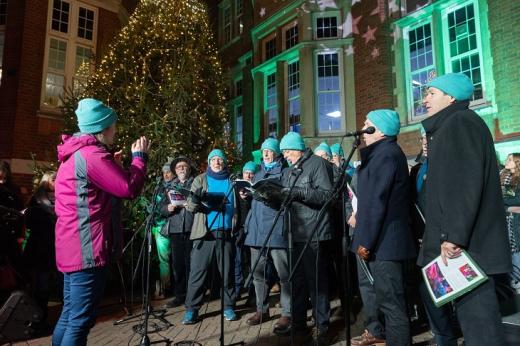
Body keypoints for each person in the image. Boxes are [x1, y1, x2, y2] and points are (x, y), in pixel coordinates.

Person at [418, 73, 511, 345]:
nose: (425, 99)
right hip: (466, 245)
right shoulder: (453, 124)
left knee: (480, 326)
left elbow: (463, 186)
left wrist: (454, 236)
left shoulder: (459, 123)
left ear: (451, 97)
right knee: (473, 323)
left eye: (431, 93)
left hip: (470, 248)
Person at [52, 98, 150, 345]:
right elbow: (128, 189)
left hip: (72, 246)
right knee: (80, 320)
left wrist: (114, 167)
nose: (116, 130)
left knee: (69, 315)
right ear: (101, 128)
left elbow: (95, 192)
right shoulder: (92, 155)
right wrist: (139, 158)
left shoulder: (75, 154)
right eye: (113, 126)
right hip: (87, 249)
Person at [350, 109, 416, 346]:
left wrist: (365, 241)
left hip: (386, 243)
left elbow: (377, 202)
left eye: (368, 124)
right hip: (382, 241)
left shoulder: (386, 155)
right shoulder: (381, 154)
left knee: (392, 305)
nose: (363, 128)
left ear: (379, 129)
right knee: (387, 301)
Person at [279, 132, 334, 345]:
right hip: (294, 233)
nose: (285, 156)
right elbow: (287, 197)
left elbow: (326, 195)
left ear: (298, 149)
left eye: (288, 151)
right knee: (297, 282)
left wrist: (300, 192)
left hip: (314, 233)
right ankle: (299, 324)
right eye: (283, 153)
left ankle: (322, 327)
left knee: (316, 282)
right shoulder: (289, 170)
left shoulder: (317, 164)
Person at [411, 127, 458, 346]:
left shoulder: (447, 166)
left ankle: (446, 337)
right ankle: (440, 333)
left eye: (429, 138)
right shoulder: (417, 170)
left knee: (443, 293)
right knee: (428, 292)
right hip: (422, 241)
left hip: (442, 241)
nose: (425, 142)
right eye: (422, 138)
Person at [181, 149, 240, 324]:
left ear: (224, 162)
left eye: (220, 159)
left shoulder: (232, 181)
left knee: (227, 271)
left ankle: (229, 307)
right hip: (204, 233)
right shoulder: (200, 179)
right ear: (209, 162)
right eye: (213, 159)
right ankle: (191, 310)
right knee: (197, 273)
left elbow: (239, 205)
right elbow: (190, 206)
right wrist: (197, 200)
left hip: (226, 231)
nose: (217, 162)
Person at [244, 138, 292, 334]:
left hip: (276, 229)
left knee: (284, 274)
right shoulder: (257, 173)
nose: (265, 153)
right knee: (258, 274)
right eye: (263, 150)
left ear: (277, 153)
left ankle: (288, 313)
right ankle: (261, 310)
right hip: (256, 232)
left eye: (269, 150)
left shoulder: (285, 172)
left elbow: (287, 199)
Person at [24, 171, 58, 328]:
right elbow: (29, 222)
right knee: (39, 286)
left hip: (52, 249)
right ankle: (35, 320)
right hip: (39, 249)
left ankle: (40, 318)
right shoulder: (37, 200)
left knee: (46, 286)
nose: (56, 182)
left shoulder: (60, 198)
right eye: (53, 179)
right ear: (46, 182)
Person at [161, 156, 196, 308]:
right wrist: (167, 209)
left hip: (192, 228)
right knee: (178, 265)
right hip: (175, 229)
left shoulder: (195, 183)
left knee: (192, 264)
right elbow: (161, 207)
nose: (181, 169)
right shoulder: (169, 186)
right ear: (175, 171)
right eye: (178, 167)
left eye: (184, 166)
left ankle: (192, 296)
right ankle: (179, 295)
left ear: (189, 168)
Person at [152, 162, 173, 298]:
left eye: (168, 172)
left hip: (172, 226)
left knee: (173, 259)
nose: (166, 174)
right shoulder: (159, 188)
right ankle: (166, 287)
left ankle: (172, 286)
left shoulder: (176, 187)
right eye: (164, 172)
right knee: (164, 259)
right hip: (160, 228)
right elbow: (157, 208)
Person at [500, 153, 520, 293]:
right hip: (504, 222)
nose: (506, 161)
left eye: (510, 159)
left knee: (516, 253)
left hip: (515, 223)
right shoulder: (502, 176)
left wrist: (504, 203)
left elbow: (516, 199)